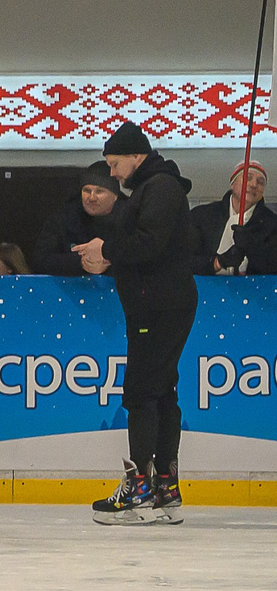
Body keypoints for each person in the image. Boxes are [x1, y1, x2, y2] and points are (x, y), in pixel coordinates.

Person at [82, 124, 198, 525]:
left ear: (136, 156)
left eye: (114, 164)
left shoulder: (160, 188)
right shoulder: (152, 189)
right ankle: (165, 485)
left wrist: (107, 250)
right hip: (158, 303)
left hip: (159, 305)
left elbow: (150, 243)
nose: (112, 173)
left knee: (142, 392)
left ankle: (141, 490)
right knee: (160, 390)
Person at [33, 166, 121, 278]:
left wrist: (108, 259)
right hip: (69, 291)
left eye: (99, 191)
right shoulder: (63, 218)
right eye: (87, 191)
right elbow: (40, 260)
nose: (92, 198)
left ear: (114, 196)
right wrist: (80, 262)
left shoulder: (131, 218)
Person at [192, 159, 274, 275]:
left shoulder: (272, 224)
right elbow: (181, 259)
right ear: (232, 184)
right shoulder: (201, 216)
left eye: (260, 182)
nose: (254, 185)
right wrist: (217, 262)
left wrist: (252, 248)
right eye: (247, 178)